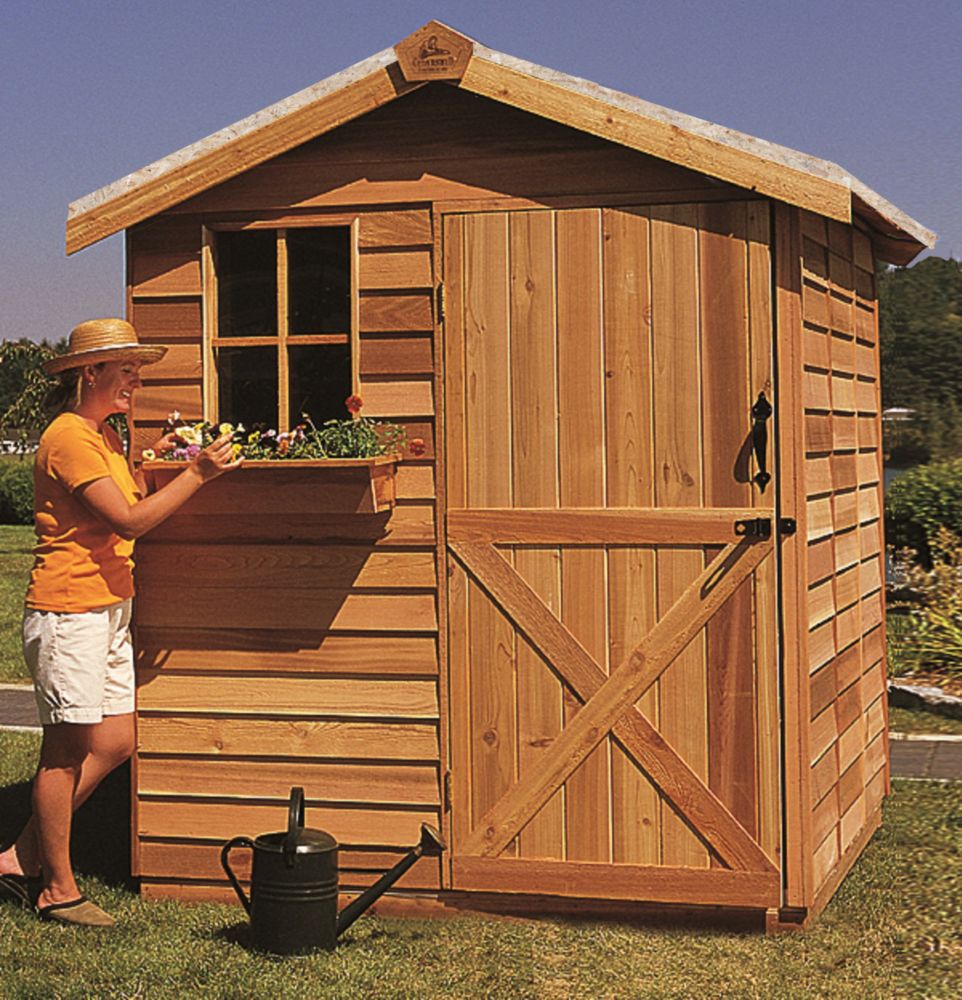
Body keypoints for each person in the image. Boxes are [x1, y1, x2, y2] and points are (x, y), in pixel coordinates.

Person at [0, 318, 240, 927]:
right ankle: (56, 887)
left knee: (114, 741)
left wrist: (163, 457)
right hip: (69, 609)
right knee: (65, 751)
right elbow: (127, 522)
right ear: (92, 373)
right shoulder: (69, 437)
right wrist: (198, 473)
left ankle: (22, 854)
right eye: (126, 369)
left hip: (107, 606)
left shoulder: (104, 435)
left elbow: (129, 502)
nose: (136, 379)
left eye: (137, 368)